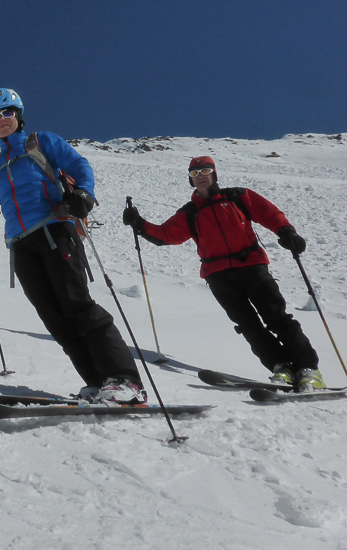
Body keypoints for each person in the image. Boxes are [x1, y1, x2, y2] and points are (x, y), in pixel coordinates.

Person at [0, 88, 145, 403]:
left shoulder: (41, 143)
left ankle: (125, 382)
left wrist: (84, 194)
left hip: (56, 231)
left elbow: (79, 166)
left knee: (77, 305)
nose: (1, 120)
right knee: (54, 318)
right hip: (21, 247)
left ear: (18, 115)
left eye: (7, 112)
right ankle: (98, 383)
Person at [123, 155, 324, 390]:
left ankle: (308, 369)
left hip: (252, 268)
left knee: (277, 318)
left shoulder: (238, 196)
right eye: (195, 174)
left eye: (205, 171)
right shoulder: (190, 212)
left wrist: (286, 231)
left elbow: (269, 213)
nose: (200, 177)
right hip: (218, 276)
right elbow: (166, 235)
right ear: (190, 179)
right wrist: (139, 224)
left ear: (214, 174)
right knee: (248, 326)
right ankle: (281, 368)